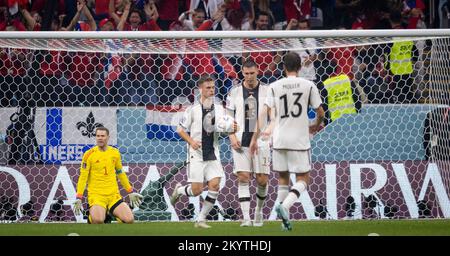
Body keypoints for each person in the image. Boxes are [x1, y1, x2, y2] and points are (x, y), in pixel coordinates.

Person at [250, 52, 324, 231]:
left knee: (283, 178)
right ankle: (284, 207)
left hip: (279, 139)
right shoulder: (308, 85)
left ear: (283, 67)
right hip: (299, 139)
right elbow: (320, 112)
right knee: (303, 179)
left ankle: (284, 223)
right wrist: (315, 125)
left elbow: (264, 114)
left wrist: (254, 138)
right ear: (300, 67)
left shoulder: (274, 86)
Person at [171, 75, 237, 229]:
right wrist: (192, 142)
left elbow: (227, 126)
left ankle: (201, 219)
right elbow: (180, 130)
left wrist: (234, 128)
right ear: (200, 89)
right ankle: (179, 190)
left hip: (213, 153)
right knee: (196, 190)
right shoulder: (193, 110)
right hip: (197, 154)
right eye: (208, 87)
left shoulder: (219, 109)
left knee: (215, 185)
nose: (211, 90)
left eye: (213, 87)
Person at [226, 59, 270, 227]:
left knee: (262, 180)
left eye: (252, 73)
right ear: (242, 73)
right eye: (246, 73)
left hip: (261, 142)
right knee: (243, 177)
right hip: (240, 140)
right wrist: (231, 136)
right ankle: (246, 218)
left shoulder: (267, 91)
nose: (249, 76)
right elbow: (228, 116)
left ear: (258, 71)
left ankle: (258, 213)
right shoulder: (234, 92)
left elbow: (273, 115)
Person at [73, 127, 143, 224]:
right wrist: (79, 197)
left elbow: (120, 173)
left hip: (113, 195)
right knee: (98, 220)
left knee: (129, 220)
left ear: (108, 137)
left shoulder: (115, 153)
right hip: (96, 196)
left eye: (102, 136)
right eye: (97, 136)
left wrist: (130, 191)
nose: (100, 138)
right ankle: (92, 217)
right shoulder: (88, 154)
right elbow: (83, 177)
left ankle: (112, 215)